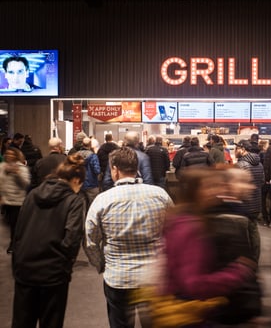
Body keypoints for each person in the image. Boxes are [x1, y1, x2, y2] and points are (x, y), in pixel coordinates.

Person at [84, 146, 174, 328]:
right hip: (154, 277)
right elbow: (175, 231)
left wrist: (102, 265)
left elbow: (91, 241)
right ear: (136, 167)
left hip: (118, 278)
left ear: (115, 169)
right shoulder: (160, 195)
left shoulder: (103, 200)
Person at [163, 167, 260, 326]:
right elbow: (193, 284)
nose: (217, 190)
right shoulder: (191, 226)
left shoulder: (184, 219)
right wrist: (237, 272)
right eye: (210, 186)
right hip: (191, 313)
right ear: (196, 191)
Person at [11, 154, 86, 328]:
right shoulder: (73, 201)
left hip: (25, 270)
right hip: (53, 274)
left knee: (21, 322)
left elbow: (18, 231)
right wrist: (65, 266)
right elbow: (72, 239)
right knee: (51, 322)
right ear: (75, 180)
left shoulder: (33, 194)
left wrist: (17, 262)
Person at [234, 139, 265, 261]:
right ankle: (255, 260)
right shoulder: (259, 164)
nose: (235, 151)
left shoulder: (240, 165)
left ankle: (243, 261)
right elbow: (262, 182)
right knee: (253, 231)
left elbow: (235, 185)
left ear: (243, 149)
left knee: (241, 235)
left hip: (243, 205)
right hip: (255, 203)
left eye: (236, 149)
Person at [0, 147, 30, 254]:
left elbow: (26, 184)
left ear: (17, 156)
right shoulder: (2, 167)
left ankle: (14, 245)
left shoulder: (22, 168)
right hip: (6, 201)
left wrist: (17, 173)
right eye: (7, 154)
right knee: (10, 224)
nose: (9, 156)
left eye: (12, 154)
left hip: (17, 201)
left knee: (15, 225)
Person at [77, 137, 101, 207]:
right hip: (92, 184)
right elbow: (97, 170)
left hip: (80, 184)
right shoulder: (93, 156)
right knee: (94, 205)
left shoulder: (76, 155)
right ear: (90, 145)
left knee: (81, 206)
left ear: (82, 144)